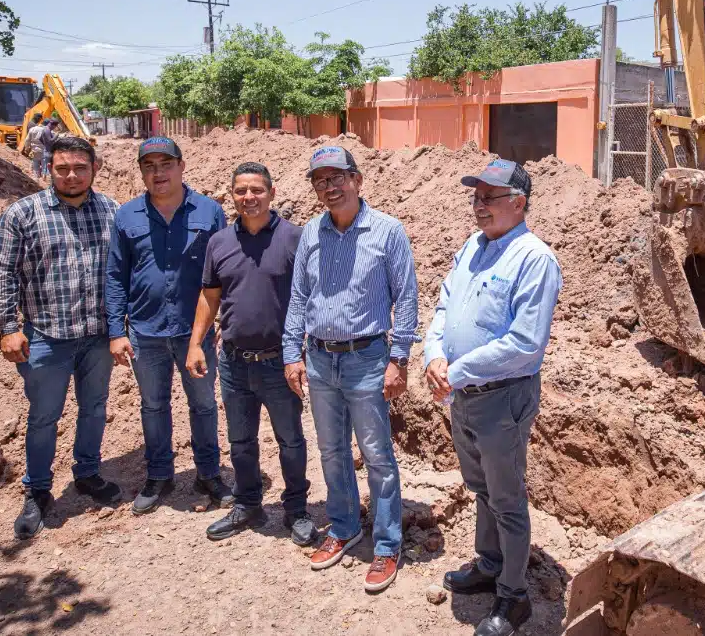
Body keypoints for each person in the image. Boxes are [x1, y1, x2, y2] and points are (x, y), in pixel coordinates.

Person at [425, 160, 561, 636]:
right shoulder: (473, 247)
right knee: (481, 488)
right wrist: (433, 354)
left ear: (518, 203)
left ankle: (514, 595)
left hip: (502, 397)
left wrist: (454, 371)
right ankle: (489, 563)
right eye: (476, 196)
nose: (479, 205)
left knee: (505, 498)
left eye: (490, 197)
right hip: (462, 395)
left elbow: (525, 343)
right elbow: (444, 305)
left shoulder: (534, 259)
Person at [283, 145, 418, 594]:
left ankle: (386, 545)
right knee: (333, 451)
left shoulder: (387, 231)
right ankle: (343, 527)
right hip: (320, 359)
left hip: (367, 360)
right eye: (320, 180)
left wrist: (398, 359)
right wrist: (292, 352)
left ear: (357, 180)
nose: (330, 186)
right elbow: (299, 297)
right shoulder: (311, 234)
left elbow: (408, 299)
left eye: (338, 176)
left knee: (377, 455)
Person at [0, 134, 123, 539]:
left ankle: (87, 472)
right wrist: (8, 327)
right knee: (44, 416)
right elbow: (2, 272)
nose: (71, 175)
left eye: (80, 168)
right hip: (47, 337)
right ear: (49, 168)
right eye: (62, 167)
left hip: (98, 335)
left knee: (94, 407)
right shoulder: (22, 214)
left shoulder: (113, 211)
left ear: (94, 169)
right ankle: (38, 490)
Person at [190, 161, 315, 546]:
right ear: (233, 196)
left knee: (290, 440)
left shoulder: (296, 238)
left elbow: (312, 298)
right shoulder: (219, 243)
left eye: (257, 190)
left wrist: (304, 352)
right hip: (233, 363)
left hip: (280, 362)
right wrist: (196, 342)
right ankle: (248, 504)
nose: (249, 197)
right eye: (241, 191)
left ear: (272, 193)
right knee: (241, 440)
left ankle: (296, 509)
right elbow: (210, 297)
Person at [106, 136, 231, 514]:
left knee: (204, 404)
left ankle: (208, 472)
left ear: (181, 165)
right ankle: (159, 474)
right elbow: (115, 275)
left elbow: (224, 270)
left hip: (196, 333)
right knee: (153, 405)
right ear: (142, 172)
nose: (158, 173)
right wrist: (116, 330)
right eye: (149, 166)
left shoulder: (209, 211)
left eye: (165, 164)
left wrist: (223, 318)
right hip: (145, 330)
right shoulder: (126, 216)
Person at [26, 114, 48, 178]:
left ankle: (36, 176)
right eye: (40, 119)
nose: (40, 121)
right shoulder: (41, 129)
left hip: (34, 148)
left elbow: (27, 139)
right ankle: (44, 177)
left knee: (35, 162)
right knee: (44, 164)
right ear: (38, 118)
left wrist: (27, 147)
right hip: (42, 149)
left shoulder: (31, 126)